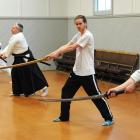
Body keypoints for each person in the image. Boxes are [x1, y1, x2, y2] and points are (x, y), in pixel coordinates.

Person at [45, 15, 114, 126]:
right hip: (76, 72)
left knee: (96, 96)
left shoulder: (88, 35)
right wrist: (53, 53)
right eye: (76, 24)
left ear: (85, 23)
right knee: (66, 92)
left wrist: (57, 53)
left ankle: (109, 118)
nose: (78, 26)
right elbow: (67, 44)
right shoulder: (78, 35)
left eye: (80, 23)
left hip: (87, 73)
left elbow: (73, 47)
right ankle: (64, 117)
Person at [0, 23, 48, 97]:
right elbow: (9, 46)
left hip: (26, 57)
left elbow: (10, 48)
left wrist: (5, 56)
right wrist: (2, 53)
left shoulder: (18, 37)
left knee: (33, 73)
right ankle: (17, 91)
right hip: (18, 57)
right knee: (15, 73)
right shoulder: (14, 36)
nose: (11, 29)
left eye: (13, 28)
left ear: (18, 29)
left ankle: (44, 88)